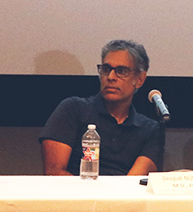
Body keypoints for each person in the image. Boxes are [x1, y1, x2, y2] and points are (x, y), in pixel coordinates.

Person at [40, 40, 163, 176]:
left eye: (121, 71)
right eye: (106, 69)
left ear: (140, 79)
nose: (110, 77)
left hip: (122, 195)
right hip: (75, 194)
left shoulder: (149, 129)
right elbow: (55, 173)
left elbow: (132, 183)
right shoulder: (73, 109)